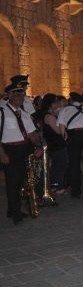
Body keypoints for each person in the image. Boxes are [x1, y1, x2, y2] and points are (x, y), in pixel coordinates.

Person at [0, 80, 43, 224]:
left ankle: (13, 209)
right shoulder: (2, 112)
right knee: (13, 182)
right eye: (17, 94)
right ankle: (16, 214)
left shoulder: (24, 114)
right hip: (9, 149)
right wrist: (2, 154)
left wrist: (38, 146)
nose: (21, 97)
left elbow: (32, 134)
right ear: (10, 95)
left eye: (22, 95)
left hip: (24, 149)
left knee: (22, 181)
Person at [57, 92, 83, 198]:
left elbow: (61, 125)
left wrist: (65, 136)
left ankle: (76, 191)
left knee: (74, 163)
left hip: (74, 134)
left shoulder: (65, 110)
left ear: (71, 100)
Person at [40, 94, 68, 195]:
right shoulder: (49, 116)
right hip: (56, 143)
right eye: (56, 102)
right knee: (60, 165)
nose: (58, 103)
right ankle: (58, 186)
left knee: (57, 165)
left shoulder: (49, 114)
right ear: (51, 104)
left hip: (54, 143)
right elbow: (58, 131)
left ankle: (55, 185)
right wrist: (63, 125)